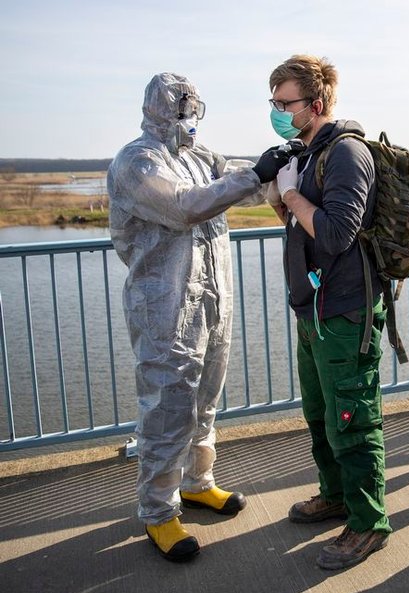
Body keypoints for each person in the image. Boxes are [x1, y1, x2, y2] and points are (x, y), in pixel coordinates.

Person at [108, 72, 294, 562]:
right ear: (162, 109)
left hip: (212, 302)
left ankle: (197, 482)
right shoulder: (138, 161)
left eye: (195, 108)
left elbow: (244, 186)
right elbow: (182, 207)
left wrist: (282, 162)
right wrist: (254, 174)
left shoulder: (200, 157)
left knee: (205, 399)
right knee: (168, 408)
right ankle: (159, 511)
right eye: (183, 108)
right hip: (165, 307)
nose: (191, 118)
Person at [267, 54, 391, 571]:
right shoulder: (309, 151)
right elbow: (301, 227)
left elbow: (337, 233)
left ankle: (368, 522)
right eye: (272, 102)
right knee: (320, 414)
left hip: (345, 313)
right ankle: (336, 494)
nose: (276, 111)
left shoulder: (345, 154)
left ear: (314, 103)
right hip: (313, 310)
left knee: (352, 419)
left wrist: (292, 191)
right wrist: (280, 195)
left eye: (284, 103)